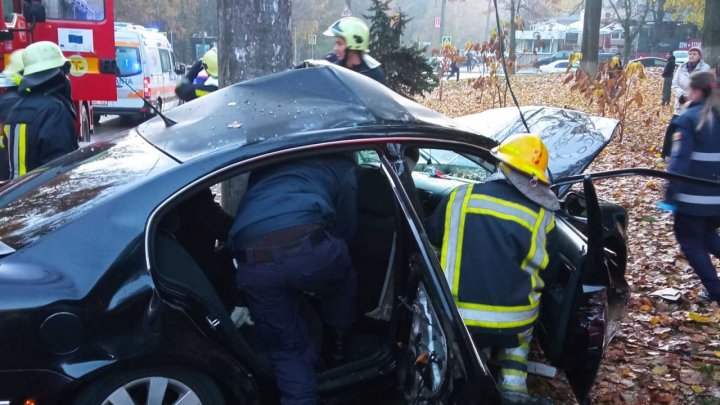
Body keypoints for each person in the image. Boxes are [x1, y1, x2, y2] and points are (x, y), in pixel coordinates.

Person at [428, 133, 558, 405]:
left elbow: (431, 243)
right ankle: (513, 393)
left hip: (458, 317)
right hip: (514, 322)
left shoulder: (458, 197)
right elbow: (551, 272)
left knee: (464, 359)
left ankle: (463, 383)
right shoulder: (542, 216)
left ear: (502, 165)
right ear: (535, 178)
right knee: (518, 338)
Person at [228, 155, 358, 404]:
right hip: (311, 253)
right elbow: (346, 224)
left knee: (287, 350)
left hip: (253, 263)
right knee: (344, 278)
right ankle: (338, 344)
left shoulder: (266, 160)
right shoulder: (343, 165)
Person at [666, 71, 720, 304]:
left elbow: (679, 162)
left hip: (693, 200)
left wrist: (670, 195)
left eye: (689, 89)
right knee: (707, 236)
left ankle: (716, 291)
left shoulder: (688, 120)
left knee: (690, 243)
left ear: (696, 91)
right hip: (717, 200)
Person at [1, 42, 77, 181]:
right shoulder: (54, 110)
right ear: (58, 74)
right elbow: (59, 169)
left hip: (13, 194)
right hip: (41, 194)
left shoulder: (16, 109)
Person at [661, 46, 711, 159]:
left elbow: (706, 85)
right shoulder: (682, 67)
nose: (691, 56)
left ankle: (692, 154)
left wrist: (694, 96)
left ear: (699, 56)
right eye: (690, 54)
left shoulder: (705, 68)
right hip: (681, 103)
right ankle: (665, 154)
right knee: (672, 129)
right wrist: (682, 95)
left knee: (694, 130)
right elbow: (674, 83)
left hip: (696, 105)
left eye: (694, 54)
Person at [323, 17, 386, 84]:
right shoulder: (329, 64)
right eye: (336, 43)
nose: (335, 48)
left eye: (340, 44)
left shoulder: (374, 74)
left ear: (354, 45)